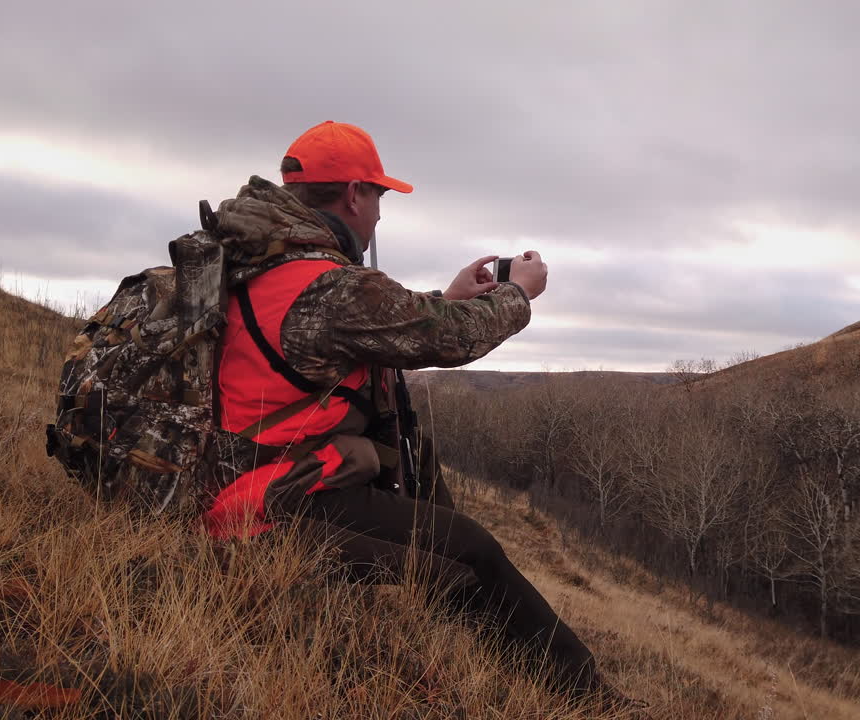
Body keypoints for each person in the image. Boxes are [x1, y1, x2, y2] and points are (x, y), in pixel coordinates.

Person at [199, 120, 620, 704]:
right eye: (378, 196)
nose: (378, 215)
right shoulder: (326, 285)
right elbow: (443, 342)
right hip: (278, 497)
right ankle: (588, 699)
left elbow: (363, 327)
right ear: (353, 194)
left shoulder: (264, 263)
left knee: (449, 550)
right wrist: (517, 293)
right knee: (471, 553)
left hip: (248, 480)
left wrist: (445, 300)